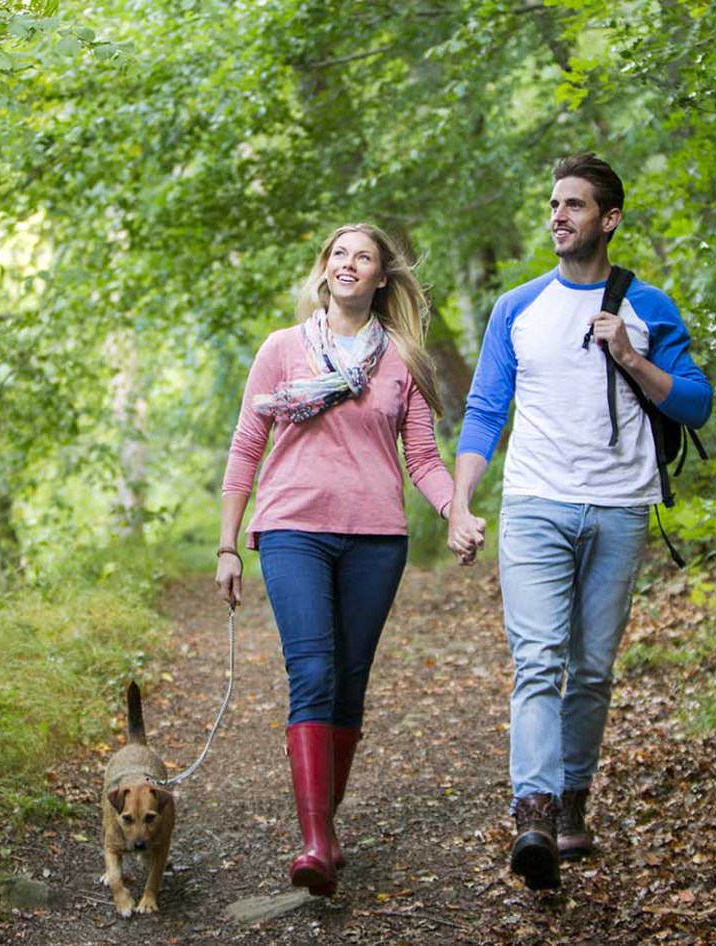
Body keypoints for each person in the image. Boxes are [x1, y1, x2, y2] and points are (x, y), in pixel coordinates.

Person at [446, 153, 713, 891]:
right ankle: (531, 814)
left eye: (574, 205)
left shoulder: (651, 307)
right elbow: (485, 409)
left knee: (591, 671)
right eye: (554, 204)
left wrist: (629, 353)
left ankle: (571, 806)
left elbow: (694, 404)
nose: (558, 215)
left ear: (610, 219)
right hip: (534, 505)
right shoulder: (517, 308)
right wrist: (463, 501)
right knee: (538, 662)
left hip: (622, 511)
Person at [216, 223, 472, 897]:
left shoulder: (403, 362)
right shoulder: (283, 350)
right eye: (340, 253)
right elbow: (246, 447)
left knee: (349, 684)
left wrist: (457, 512)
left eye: (365, 256)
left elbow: (421, 459)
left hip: (375, 538)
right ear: (325, 269)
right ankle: (315, 842)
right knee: (315, 672)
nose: (350, 263)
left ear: (382, 277)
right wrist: (227, 545)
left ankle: (323, 827)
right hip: (292, 529)